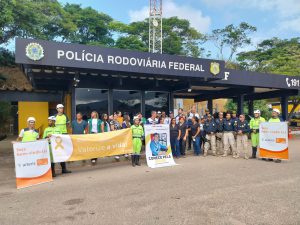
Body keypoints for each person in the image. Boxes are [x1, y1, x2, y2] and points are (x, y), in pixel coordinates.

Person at [54, 104, 71, 174]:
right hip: (56, 135)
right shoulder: (54, 116)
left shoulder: (65, 116)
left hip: (64, 134)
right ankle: (53, 170)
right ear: (57, 109)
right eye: (60, 108)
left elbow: (68, 124)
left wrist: (66, 131)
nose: (61, 109)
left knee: (63, 151)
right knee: (56, 151)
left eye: (62, 108)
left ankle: (64, 169)